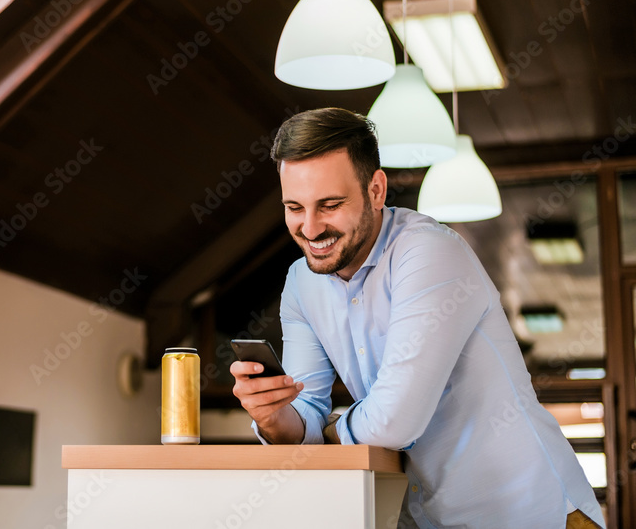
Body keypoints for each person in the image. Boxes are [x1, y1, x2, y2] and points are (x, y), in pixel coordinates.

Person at [231, 108, 604, 528]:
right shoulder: (301, 283)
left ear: (376, 190)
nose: (311, 228)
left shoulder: (427, 252)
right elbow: (306, 412)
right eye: (294, 207)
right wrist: (272, 416)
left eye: (330, 205)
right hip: (429, 518)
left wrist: (330, 429)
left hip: (532, 512)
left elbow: (394, 420)